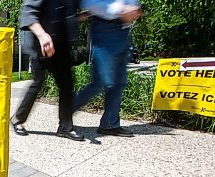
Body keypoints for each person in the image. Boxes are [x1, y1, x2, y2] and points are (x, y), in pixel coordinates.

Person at [10, 0, 85, 141]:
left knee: (67, 84)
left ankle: (65, 127)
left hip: (62, 45)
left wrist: (82, 16)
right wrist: (41, 34)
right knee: (38, 82)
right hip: (42, 43)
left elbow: (67, 14)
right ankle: (17, 119)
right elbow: (29, 12)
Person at [74, 0, 142, 137]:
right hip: (105, 29)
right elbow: (89, 3)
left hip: (122, 28)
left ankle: (110, 124)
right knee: (103, 81)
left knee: (118, 82)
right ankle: (67, 110)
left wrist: (135, 8)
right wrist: (121, 9)